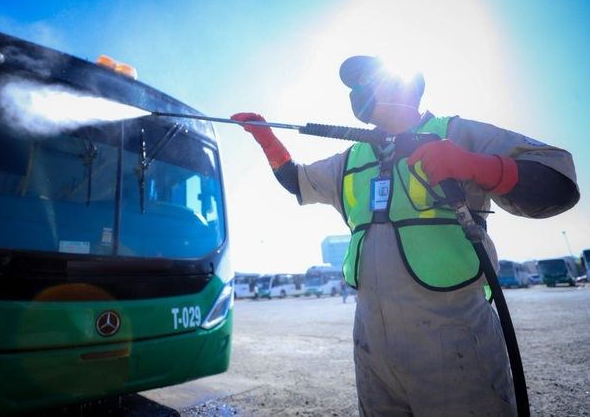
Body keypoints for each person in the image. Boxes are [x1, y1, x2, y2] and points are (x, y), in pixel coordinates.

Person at [231, 55, 579, 416]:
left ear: (406, 87)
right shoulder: (351, 158)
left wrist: (477, 165)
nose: (358, 91)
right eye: (355, 85)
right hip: (370, 342)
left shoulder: (455, 132)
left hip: (452, 336)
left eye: (369, 80)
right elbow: (297, 181)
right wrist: (267, 140)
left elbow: (558, 177)